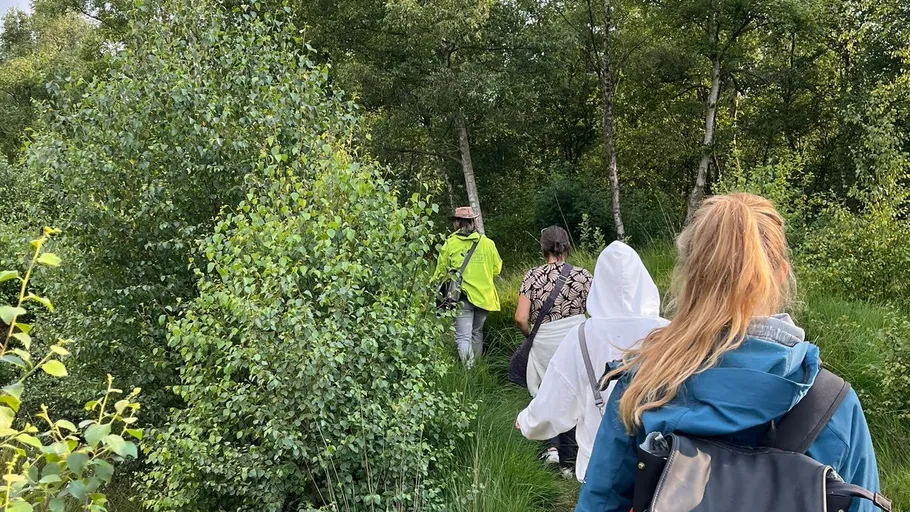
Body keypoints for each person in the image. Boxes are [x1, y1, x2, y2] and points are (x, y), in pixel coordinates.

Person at [576, 193, 880, 512]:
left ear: (692, 278)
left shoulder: (646, 385)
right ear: (779, 275)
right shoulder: (832, 404)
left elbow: (599, 503)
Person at [516, 241, 668, 483]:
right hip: (661, 462)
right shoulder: (670, 333)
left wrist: (526, 422)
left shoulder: (582, 336)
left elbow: (556, 402)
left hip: (600, 465)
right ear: (644, 281)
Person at [514, 226, 593, 473]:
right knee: (574, 392)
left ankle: (551, 449)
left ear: (543, 248)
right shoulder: (583, 276)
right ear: (567, 247)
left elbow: (520, 318)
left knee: (546, 390)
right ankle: (570, 462)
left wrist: (533, 337)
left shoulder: (532, 277)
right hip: (575, 340)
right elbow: (599, 309)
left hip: (544, 340)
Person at [434, 206, 502, 368]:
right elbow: (496, 269)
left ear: (457, 223)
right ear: (473, 222)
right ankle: (477, 368)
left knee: (463, 337)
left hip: (461, 297)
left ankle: (470, 372)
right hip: (484, 297)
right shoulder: (487, 243)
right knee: (476, 334)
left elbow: (440, 273)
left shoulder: (450, 244)